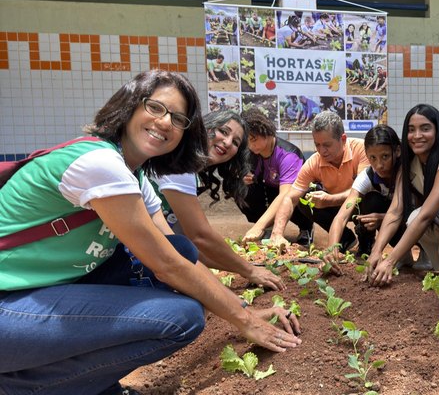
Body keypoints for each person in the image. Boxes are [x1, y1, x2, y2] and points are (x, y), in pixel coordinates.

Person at [0, 70, 300, 394]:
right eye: (156, 108)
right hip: (9, 305)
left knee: (180, 248)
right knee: (181, 318)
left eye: (178, 118)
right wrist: (247, 321)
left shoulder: (136, 175)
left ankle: (89, 383)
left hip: (38, 294)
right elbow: (167, 265)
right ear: (130, 105)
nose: (165, 122)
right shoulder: (100, 162)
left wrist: (242, 309)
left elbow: (175, 253)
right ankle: (23, 386)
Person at [151, 110, 285, 291]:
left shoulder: (190, 172)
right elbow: (200, 237)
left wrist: (245, 270)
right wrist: (249, 270)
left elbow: (189, 249)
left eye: (236, 142)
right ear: (205, 127)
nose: (228, 142)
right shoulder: (179, 165)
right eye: (224, 131)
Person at [366, 104, 439, 286]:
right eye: (411, 130)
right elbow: (395, 210)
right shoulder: (410, 163)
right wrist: (376, 250)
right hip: (437, 227)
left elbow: (427, 214)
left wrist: (390, 261)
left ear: (437, 130)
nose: (417, 136)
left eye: (425, 128)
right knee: (412, 217)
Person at [269, 111, 369, 251]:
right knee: (305, 198)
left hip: (360, 205)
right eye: (317, 145)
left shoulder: (362, 149)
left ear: (343, 139)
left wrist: (329, 199)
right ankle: (344, 239)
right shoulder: (313, 162)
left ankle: (367, 241)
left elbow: (361, 191)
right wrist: (277, 233)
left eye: (327, 145)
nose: (322, 151)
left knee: (370, 198)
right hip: (336, 207)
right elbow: (290, 198)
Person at [325, 125, 402, 271]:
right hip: (391, 223)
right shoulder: (367, 176)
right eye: (373, 158)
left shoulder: (406, 172)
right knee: (370, 200)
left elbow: (416, 212)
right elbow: (342, 216)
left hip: (411, 225)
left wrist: (382, 218)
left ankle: (421, 254)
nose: (379, 165)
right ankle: (366, 245)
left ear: (397, 151)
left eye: (385, 156)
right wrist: (331, 248)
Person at [237, 109, 314, 245]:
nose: (250, 145)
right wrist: (244, 178)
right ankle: (267, 227)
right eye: (247, 141)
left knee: (297, 196)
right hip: (272, 190)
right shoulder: (252, 152)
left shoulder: (288, 155)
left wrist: (257, 227)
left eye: (253, 139)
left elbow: (285, 195)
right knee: (241, 188)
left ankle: (306, 228)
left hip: (293, 195)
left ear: (266, 132)